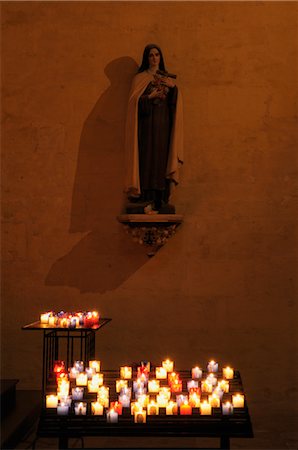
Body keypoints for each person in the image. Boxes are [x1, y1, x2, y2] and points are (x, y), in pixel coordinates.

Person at [124, 44, 183, 213]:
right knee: (146, 159)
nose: (154, 58)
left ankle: (160, 198)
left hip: (163, 126)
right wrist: (149, 97)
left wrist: (173, 88)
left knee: (160, 158)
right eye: (151, 55)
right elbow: (133, 104)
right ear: (146, 58)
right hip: (145, 127)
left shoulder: (166, 78)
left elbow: (175, 106)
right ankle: (144, 197)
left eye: (157, 55)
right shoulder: (139, 78)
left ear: (160, 57)